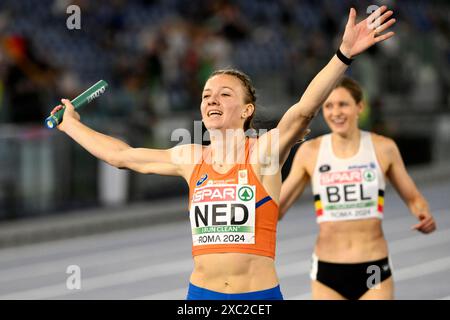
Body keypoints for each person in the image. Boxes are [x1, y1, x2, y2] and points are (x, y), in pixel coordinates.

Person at [51, 7, 396, 300]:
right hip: (201, 296)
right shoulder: (190, 158)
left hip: (257, 297)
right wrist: (70, 125)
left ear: (247, 111)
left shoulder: (263, 152)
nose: (212, 99)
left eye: (225, 94)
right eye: (206, 95)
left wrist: (343, 55)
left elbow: (304, 109)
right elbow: (122, 156)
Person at [279, 76, 437, 300]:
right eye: (329, 106)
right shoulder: (310, 152)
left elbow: (414, 198)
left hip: (373, 267)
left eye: (343, 104)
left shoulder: (384, 148)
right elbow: (277, 208)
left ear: (359, 107)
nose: (336, 112)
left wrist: (423, 213)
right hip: (328, 270)